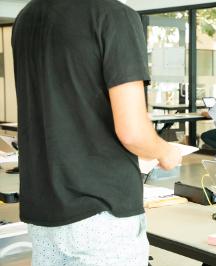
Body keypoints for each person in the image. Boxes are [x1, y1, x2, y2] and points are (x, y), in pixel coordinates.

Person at [12, 0, 181, 265]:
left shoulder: (26, 17)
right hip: (101, 212)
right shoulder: (114, 16)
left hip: (43, 211)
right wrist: (166, 151)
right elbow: (133, 131)